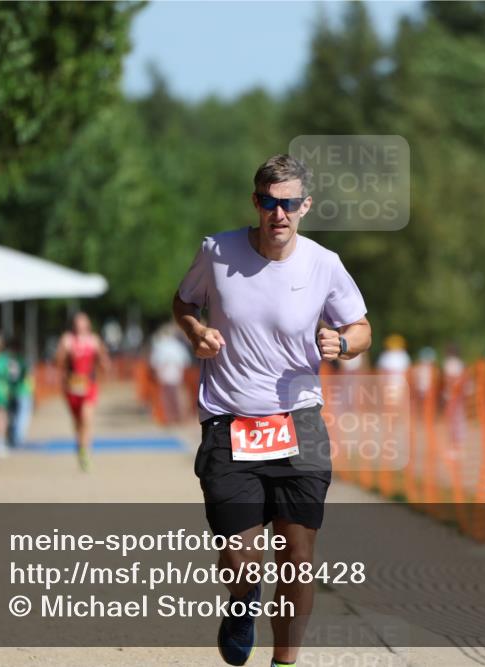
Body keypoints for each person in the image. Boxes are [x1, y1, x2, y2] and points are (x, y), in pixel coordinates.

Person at [173, 154, 371, 667]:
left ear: (305, 206)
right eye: (268, 201)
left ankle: (285, 661)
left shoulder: (323, 263)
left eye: (288, 204)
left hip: (298, 422)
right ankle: (242, 604)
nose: (277, 214)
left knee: (297, 559)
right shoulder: (217, 252)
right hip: (229, 420)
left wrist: (342, 344)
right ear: (255, 202)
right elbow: (182, 302)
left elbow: (362, 328)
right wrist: (196, 330)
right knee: (241, 554)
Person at [54, 312, 111, 471]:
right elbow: (58, 362)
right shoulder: (67, 339)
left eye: (83, 322)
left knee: (87, 419)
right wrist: (62, 352)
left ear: (88, 324)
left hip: (89, 386)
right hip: (72, 387)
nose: (80, 325)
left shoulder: (94, 340)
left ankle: (85, 451)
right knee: (78, 423)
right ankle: (80, 446)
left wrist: (104, 365)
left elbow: (103, 360)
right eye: (78, 322)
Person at [149, 323, 193, 424]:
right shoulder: (176, 345)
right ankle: (179, 417)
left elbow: (155, 362)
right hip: (175, 374)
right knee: (177, 396)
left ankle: (170, 417)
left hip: (166, 374)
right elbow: (185, 361)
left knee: (167, 397)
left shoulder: (161, 345)